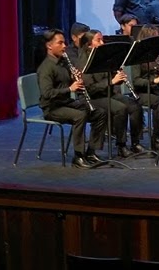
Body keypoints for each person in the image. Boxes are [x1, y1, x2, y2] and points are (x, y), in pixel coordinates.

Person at [37, 29, 109, 168]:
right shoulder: (46, 68)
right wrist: (70, 88)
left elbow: (65, 82)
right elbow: (47, 94)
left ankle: (91, 152)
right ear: (49, 46)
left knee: (100, 113)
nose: (65, 46)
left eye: (64, 42)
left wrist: (74, 78)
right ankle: (78, 156)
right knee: (80, 115)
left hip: (65, 102)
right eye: (60, 43)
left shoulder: (63, 62)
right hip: (52, 107)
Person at [78, 29, 141, 159]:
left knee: (134, 105)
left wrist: (117, 78)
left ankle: (135, 142)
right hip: (92, 98)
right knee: (120, 109)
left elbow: (111, 80)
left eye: (102, 40)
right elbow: (90, 89)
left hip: (106, 93)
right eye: (98, 40)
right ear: (89, 45)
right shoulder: (84, 62)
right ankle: (121, 145)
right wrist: (112, 81)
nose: (102, 43)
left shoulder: (102, 57)